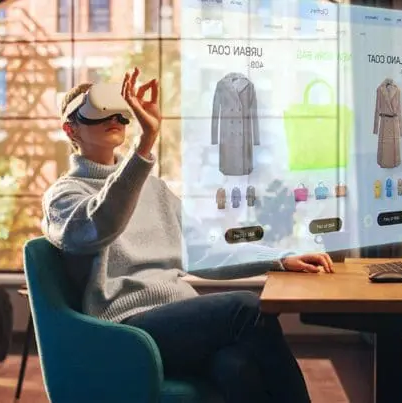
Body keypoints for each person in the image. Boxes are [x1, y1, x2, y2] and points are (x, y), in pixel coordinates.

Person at [42, 68, 334, 403]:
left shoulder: (152, 188)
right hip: (125, 329)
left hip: (178, 316)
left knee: (235, 366)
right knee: (247, 307)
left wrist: (279, 258)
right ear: (71, 129)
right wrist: (144, 147)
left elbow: (204, 251)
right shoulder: (63, 196)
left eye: (122, 114)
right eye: (98, 113)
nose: (115, 120)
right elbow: (98, 226)